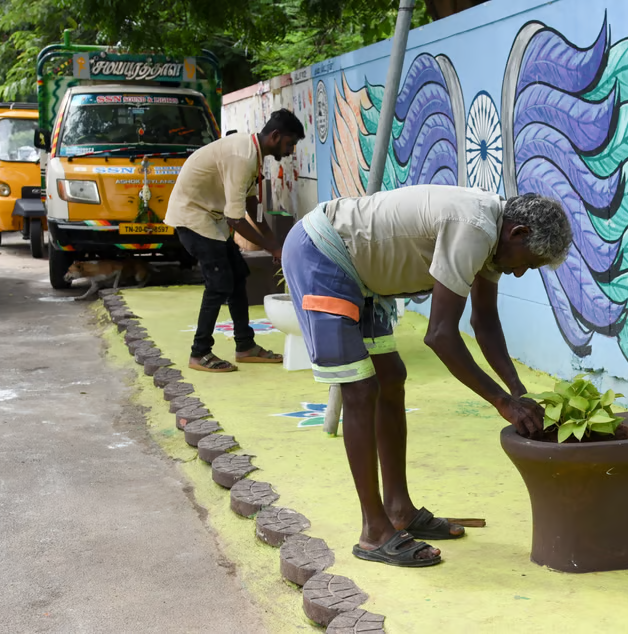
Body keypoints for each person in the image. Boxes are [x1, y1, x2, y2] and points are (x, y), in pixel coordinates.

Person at [281, 185, 573, 567]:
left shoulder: (495, 237)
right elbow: (440, 335)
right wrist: (502, 403)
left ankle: (399, 509)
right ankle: (374, 532)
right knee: (361, 389)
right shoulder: (476, 228)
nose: (519, 273)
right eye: (526, 263)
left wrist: (518, 391)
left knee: (391, 378)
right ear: (517, 234)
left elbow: (484, 323)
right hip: (323, 254)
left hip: (363, 277)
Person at [165, 109, 306, 372]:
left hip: (210, 218)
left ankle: (245, 346)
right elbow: (236, 220)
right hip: (193, 217)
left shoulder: (253, 153)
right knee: (219, 283)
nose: (290, 151)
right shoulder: (242, 156)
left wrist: (276, 244)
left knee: (238, 274)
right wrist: (271, 246)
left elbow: (253, 206)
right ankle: (200, 353)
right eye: (290, 144)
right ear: (275, 136)